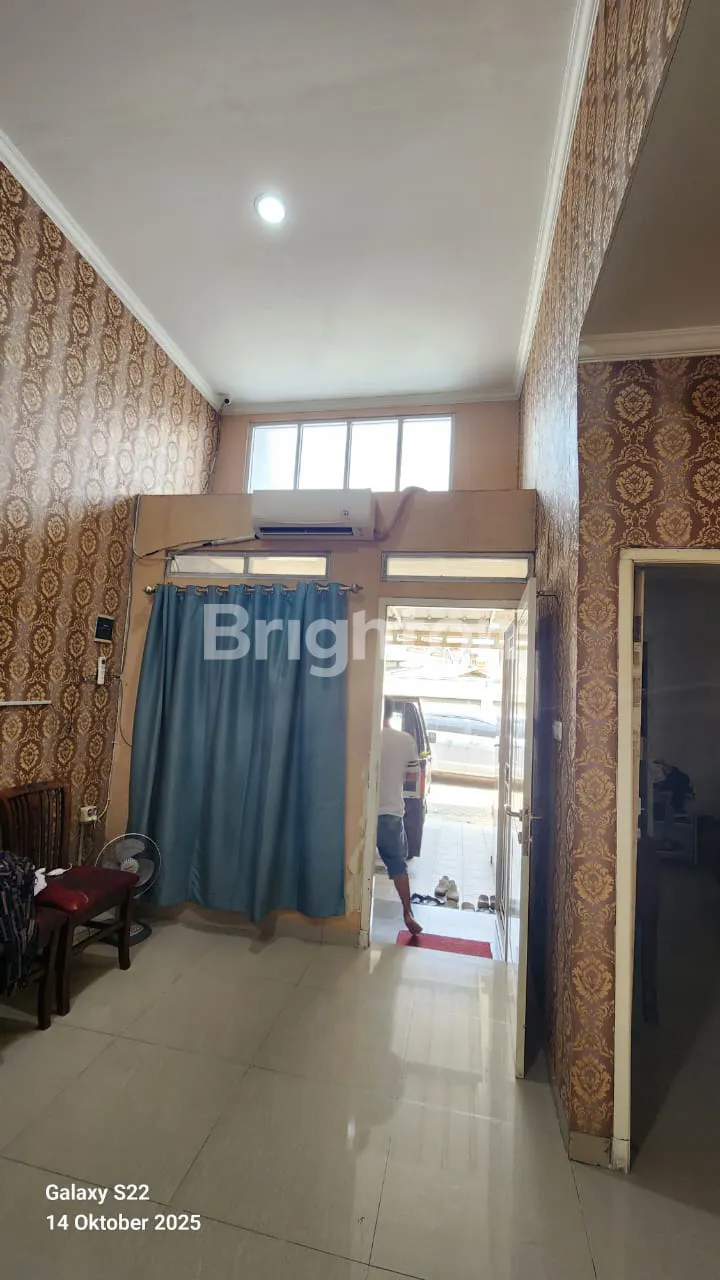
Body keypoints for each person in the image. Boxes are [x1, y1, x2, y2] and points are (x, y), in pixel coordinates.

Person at [377, 699, 423, 936]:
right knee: (397, 865)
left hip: (362, 812)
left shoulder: (364, 736)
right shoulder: (405, 740)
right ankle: (407, 912)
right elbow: (413, 778)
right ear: (391, 713)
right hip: (391, 812)